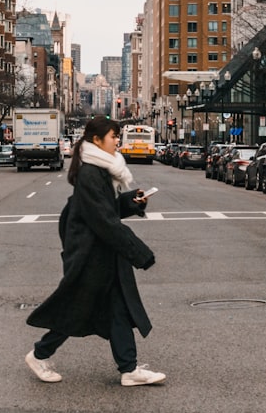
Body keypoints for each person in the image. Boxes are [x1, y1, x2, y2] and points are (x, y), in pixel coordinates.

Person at [25, 115, 164, 387]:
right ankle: (39, 354)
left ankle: (129, 369)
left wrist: (131, 202)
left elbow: (105, 210)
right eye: (113, 137)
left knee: (117, 309)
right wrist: (138, 252)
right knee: (76, 309)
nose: (117, 142)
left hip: (99, 252)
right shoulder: (91, 172)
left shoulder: (100, 169)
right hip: (90, 255)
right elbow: (103, 219)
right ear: (97, 140)